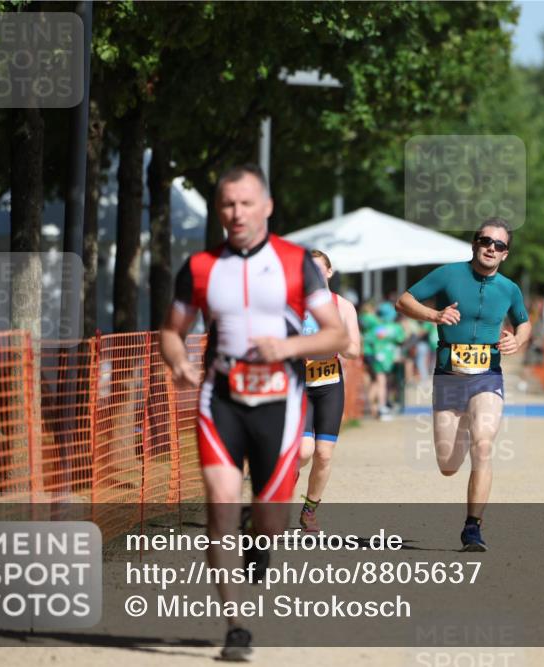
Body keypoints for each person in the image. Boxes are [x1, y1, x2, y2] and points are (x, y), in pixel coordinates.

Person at [159, 164, 347, 661]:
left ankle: (262, 541)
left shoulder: (297, 264)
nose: (236, 212)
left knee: (270, 519)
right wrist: (178, 361)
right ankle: (236, 627)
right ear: (218, 210)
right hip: (219, 398)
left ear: (266, 207)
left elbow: (336, 335)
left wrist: (288, 346)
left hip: (280, 402)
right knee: (221, 505)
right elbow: (171, 330)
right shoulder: (199, 267)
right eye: (227, 204)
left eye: (246, 203)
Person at [395, 218, 531, 551]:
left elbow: (524, 323)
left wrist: (519, 340)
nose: (491, 248)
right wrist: (434, 316)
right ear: (475, 244)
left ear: (505, 254)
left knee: (482, 446)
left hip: (487, 376)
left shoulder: (509, 289)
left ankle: (473, 528)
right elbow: (405, 301)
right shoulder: (448, 274)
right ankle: (467, 421)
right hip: (450, 378)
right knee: (447, 465)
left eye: (499, 245)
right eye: (486, 241)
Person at [298, 250, 361, 532]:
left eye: (317, 269)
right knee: (302, 452)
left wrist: (333, 342)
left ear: (329, 272)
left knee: (323, 454)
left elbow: (354, 350)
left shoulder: (343, 306)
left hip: (328, 383)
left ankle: (310, 509)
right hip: (297, 384)